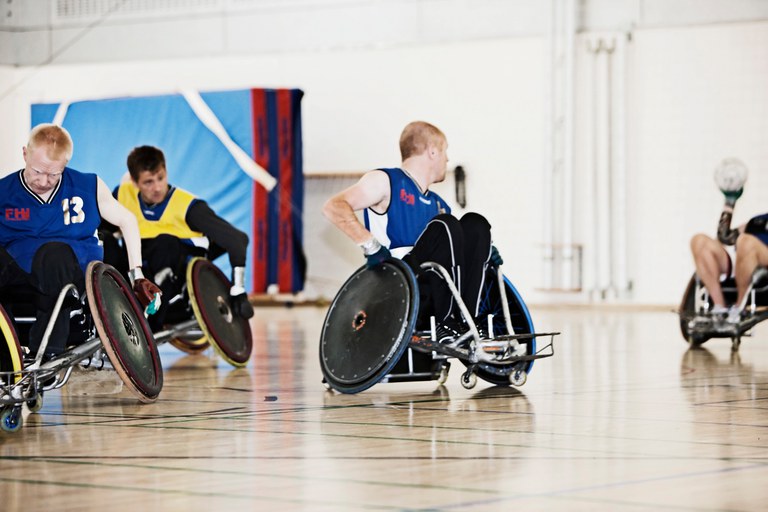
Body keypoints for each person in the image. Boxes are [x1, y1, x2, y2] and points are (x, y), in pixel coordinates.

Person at [322, 121, 502, 341]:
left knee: (476, 224)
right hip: (399, 287)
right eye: (445, 152)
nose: (447, 159)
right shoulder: (386, 181)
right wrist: (370, 245)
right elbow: (333, 206)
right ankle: (448, 321)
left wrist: (484, 250)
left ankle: (467, 322)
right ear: (433, 151)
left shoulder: (439, 204)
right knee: (446, 225)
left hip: (436, 287)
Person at [0, 124, 160, 361]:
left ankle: (48, 353)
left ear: (65, 163)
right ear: (25, 154)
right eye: (37, 171)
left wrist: (137, 276)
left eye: (53, 174)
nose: (43, 181)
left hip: (70, 270)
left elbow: (127, 220)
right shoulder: (4, 191)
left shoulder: (88, 186)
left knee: (53, 254)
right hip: (19, 271)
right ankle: (7, 356)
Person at [103, 145, 254, 329]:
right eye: (148, 182)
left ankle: (151, 323)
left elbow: (237, 240)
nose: (157, 187)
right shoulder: (123, 195)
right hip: (136, 271)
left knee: (164, 243)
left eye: (161, 177)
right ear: (135, 182)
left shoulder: (190, 207)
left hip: (172, 273)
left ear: (166, 171)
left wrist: (238, 290)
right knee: (104, 239)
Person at [690, 189, 768, 326]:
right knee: (699, 241)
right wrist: (729, 203)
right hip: (742, 262)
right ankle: (720, 308)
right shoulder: (758, 221)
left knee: (746, 242)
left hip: (763, 266)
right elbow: (724, 237)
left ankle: (739, 308)